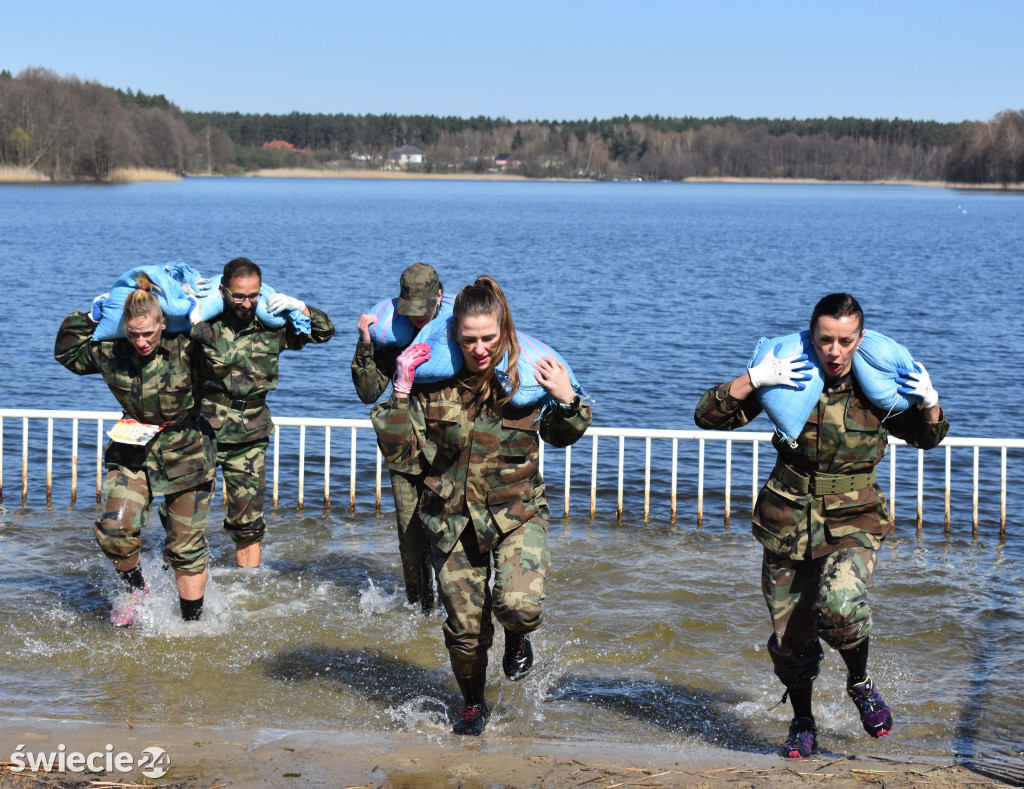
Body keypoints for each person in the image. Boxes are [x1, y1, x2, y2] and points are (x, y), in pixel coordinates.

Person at [694, 293, 948, 759]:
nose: (834, 351)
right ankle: (802, 721)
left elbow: (928, 437)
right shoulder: (791, 376)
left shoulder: (879, 385)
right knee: (790, 640)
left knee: (840, 606)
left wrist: (930, 401)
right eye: (825, 339)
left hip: (855, 515)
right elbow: (708, 418)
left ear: (860, 339)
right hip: (787, 516)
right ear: (812, 336)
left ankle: (860, 683)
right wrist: (752, 379)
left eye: (845, 340)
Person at [371, 276, 592, 735]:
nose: (479, 349)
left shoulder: (526, 377)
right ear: (453, 335)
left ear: (504, 330)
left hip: (518, 514)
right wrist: (401, 388)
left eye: (489, 338)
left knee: (518, 606)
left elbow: (561, 435)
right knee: (466, 633)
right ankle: (472, 704)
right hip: (451, 520)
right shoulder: (433, 381)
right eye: (468, 340)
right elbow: (404, 456)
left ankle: (516, 637)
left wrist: (568, 398)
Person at [55, 274, 228, 625]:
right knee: (114, 531)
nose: (142, 341)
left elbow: (225, 365)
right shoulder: (113, 352)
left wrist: (197, 324)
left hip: (187, 453)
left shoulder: (185, 348)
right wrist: (87, 318)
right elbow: (68, 354)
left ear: (163, 323)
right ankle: (137, 592)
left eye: (149, 333)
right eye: (134, 333)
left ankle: (190, 624)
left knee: (185, 547)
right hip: (132, 452)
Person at [200, 256, 335, 568]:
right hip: (202, 431)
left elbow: (324, 331)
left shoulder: (272, 326)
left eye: (253, 295)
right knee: (186, 517)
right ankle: (184, 584)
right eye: (239, 295)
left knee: (247, 523)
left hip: (250, 434)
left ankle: (247, 590)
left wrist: (298, 306)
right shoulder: (205, 323)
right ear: (222, 291)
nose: (246, 304)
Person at [352, 262, 444, 611]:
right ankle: (420, 609)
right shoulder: (394, 337)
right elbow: (367, 391)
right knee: (410, 539)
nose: (418, 318)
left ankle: (458, 607)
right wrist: (365, 343)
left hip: (450, 447)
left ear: (439, 296)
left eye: (424, 310)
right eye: (411, 310)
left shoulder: (457, 332)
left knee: (451, 531)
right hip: (404, 446)